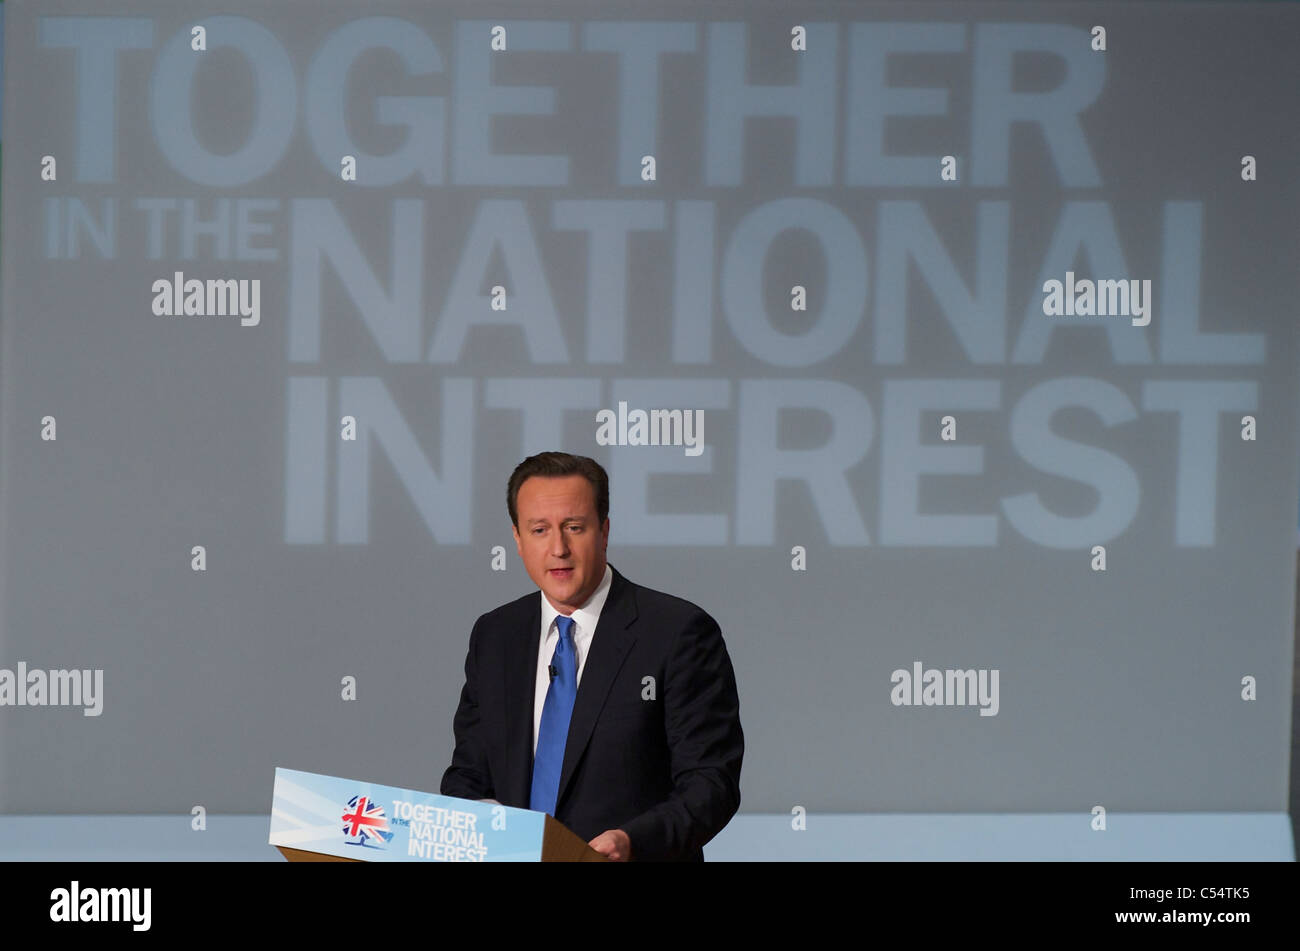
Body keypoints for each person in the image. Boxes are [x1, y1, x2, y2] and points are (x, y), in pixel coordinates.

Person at [440, 451, 744, 861]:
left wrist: (632, 841)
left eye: (574, 527)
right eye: (540, 530)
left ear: (604, 531)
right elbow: (469, 775)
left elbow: (711, 783)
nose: (558, 548)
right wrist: (489, 829)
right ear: (517, 538)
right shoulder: (495, 637)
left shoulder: (677, 632)